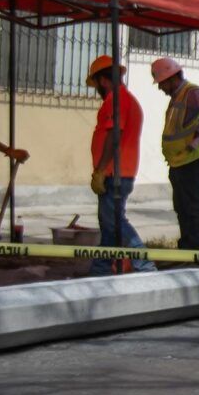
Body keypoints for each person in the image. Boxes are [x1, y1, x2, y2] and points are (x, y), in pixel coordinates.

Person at [152, 56, 199, 251]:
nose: (160, 87)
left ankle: (194, 250)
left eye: (161, 82)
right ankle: (186, 247)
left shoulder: (191, 93)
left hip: (194, 159)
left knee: (192, 205)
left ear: (172, 78)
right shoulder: (178, 98)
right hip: (180, 160)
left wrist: (197, 137)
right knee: (182, 206)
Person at [87, 55, 147, 267]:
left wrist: (101, 170)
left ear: (103, 81)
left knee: (115, 222)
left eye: (96, 84)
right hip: (117, 172)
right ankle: (102, 268)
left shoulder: (117, 100)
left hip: (115, 173)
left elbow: (114, 135)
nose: (96, 90)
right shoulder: (124, 99)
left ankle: (144, 265)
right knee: (109, 225)